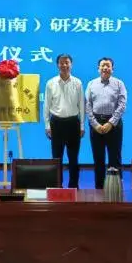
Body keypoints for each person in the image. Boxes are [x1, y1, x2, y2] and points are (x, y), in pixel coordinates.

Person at [85, 57, 127, 189]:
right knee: (98, 159)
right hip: (96, 123)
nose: (105, 68)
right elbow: (87, 105)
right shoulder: (91, 84)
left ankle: (115, 189)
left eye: (108, 65)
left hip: (114, 124)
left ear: (112, 69)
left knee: (115, 158)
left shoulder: (119, 84)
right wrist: (95, 124)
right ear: (98, 68)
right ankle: (99, 189)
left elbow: (122, 105)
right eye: (102, 65)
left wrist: (110, 123)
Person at [44, 54, 85, 188]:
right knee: (57, 158)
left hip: (73, 123)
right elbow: (46, 106)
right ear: (58, 65)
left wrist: (82, 126)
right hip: (56, 123)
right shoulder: (51, 83)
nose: (64, 65)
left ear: (71, 65)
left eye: (67, 63)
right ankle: (57, 186)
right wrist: (47, 125)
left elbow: (81, 105)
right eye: (61, 63)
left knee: (73, 158)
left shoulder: (77, 83)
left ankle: (73, 186)